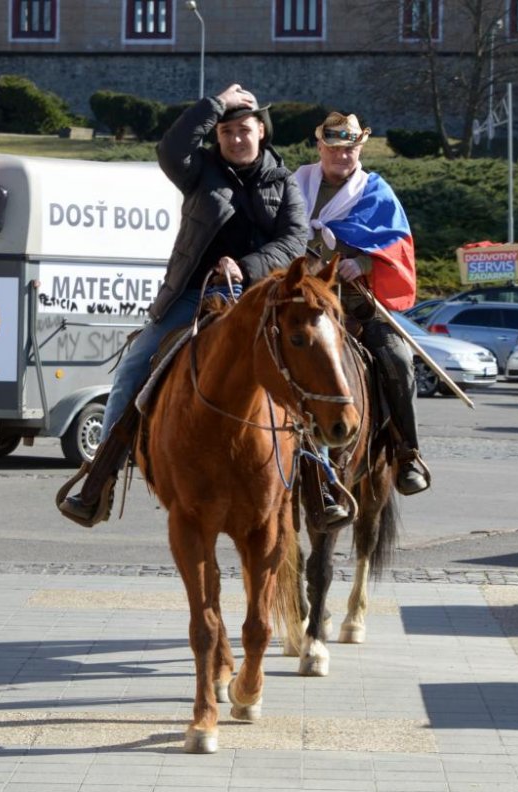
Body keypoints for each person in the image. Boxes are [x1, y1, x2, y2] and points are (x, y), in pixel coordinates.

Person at [57, 83, 309, 527]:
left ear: (261, 133)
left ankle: (320, 475)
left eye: (243, 130)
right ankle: (101, 476)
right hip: (193, 294)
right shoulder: (198, 171)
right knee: (134, 366)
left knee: (311, 361)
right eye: (226, 131)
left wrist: (247, 266)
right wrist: (214, 103)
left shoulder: (285, 182)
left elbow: (295, 240)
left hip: (262, 297)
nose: (234, 138)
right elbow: (170, 147)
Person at [293, 112, 429, 497]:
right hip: (300, 294)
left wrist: (364, 261)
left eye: (350, 148)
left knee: (397, 358)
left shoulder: (376, 191)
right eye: (334, 147)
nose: (342, 155)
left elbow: (397, 244)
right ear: (320, 147)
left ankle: (407, 453)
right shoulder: (295, 185)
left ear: (360, 149)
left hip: (355, 302)